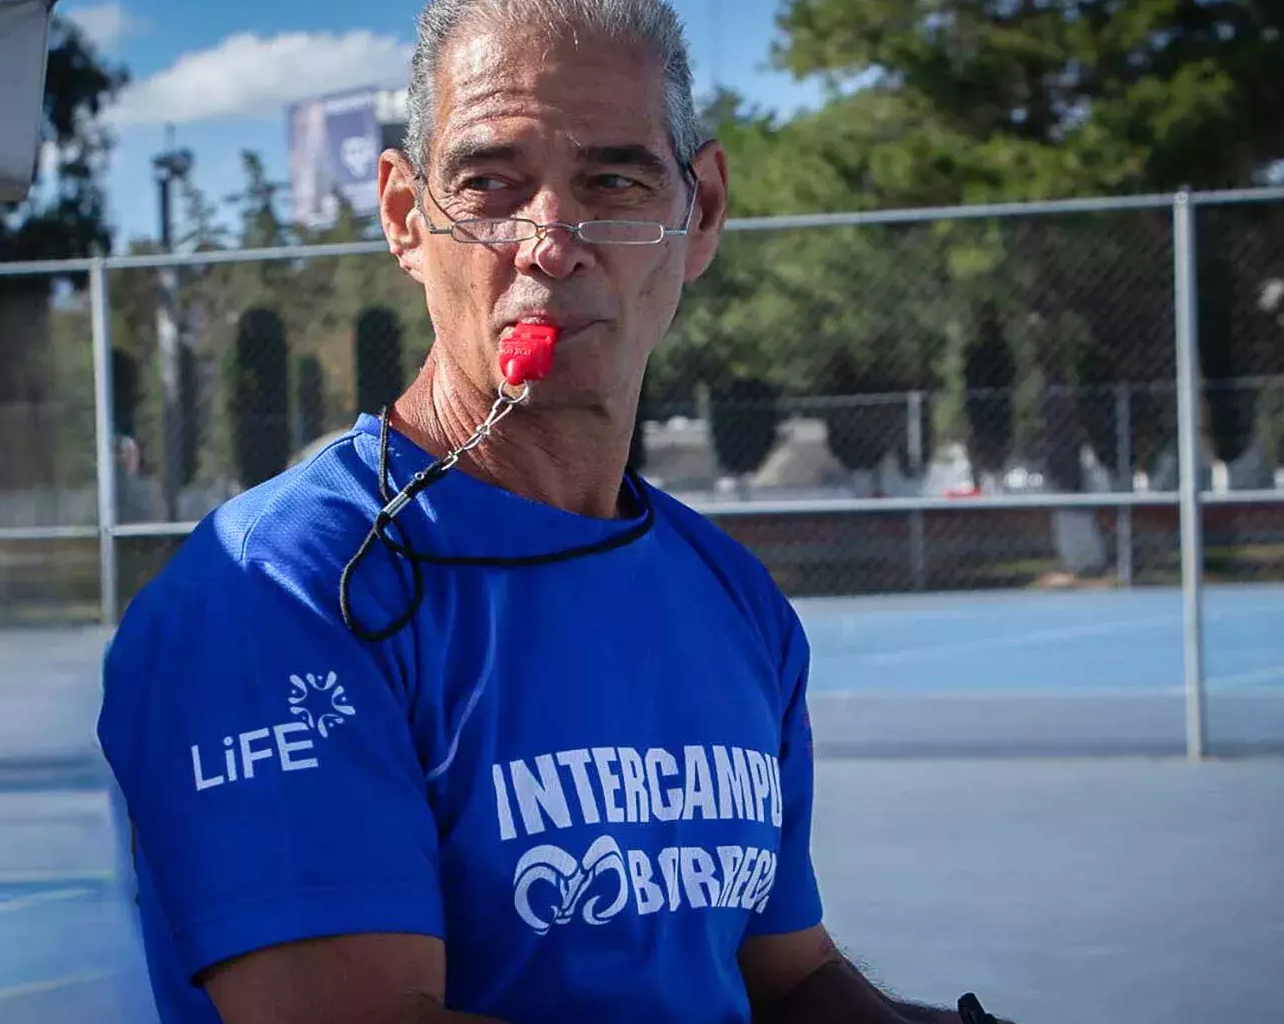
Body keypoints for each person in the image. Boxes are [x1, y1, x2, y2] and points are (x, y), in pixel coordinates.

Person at [97, 1, 1009, 1022]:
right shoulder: (280, 593)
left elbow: (788, 976)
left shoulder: (729, 597)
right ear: (405, 217)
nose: (549, 243)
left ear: (699, 213)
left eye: (613, 182)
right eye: (489, 184)